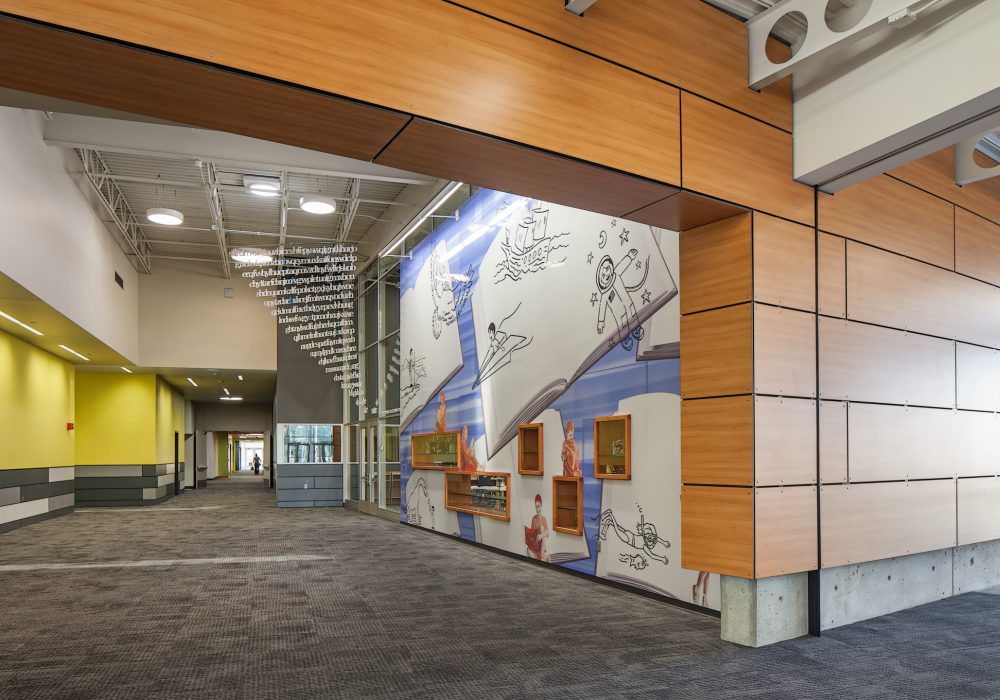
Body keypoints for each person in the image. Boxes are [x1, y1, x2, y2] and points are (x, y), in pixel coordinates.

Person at [523, 494, 550, 562]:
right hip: (535, 545)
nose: (537, 509)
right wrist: (527, 539)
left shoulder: (543, 519)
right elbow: (532, 532)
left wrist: (541, 535)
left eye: (538, 506)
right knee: (528, 551)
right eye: (536, 507)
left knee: (541, 528)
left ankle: (543, 554)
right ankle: (541, 557)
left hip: (542, 545)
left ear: (541, 506)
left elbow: (547, 533)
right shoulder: (533, 518)